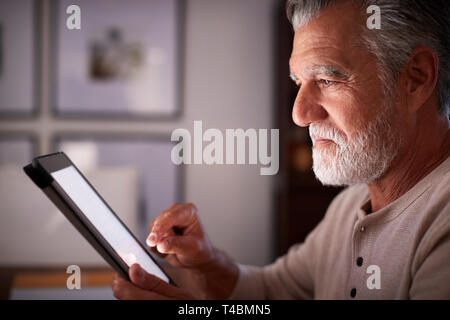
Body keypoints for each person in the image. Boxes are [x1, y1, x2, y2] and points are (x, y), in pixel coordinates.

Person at [111, 0, 450, 299]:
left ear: (416, 78)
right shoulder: (350, 205)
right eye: (299, 83)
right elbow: (272, 291)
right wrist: (206, 263)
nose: (300, 114)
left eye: (327, 80)